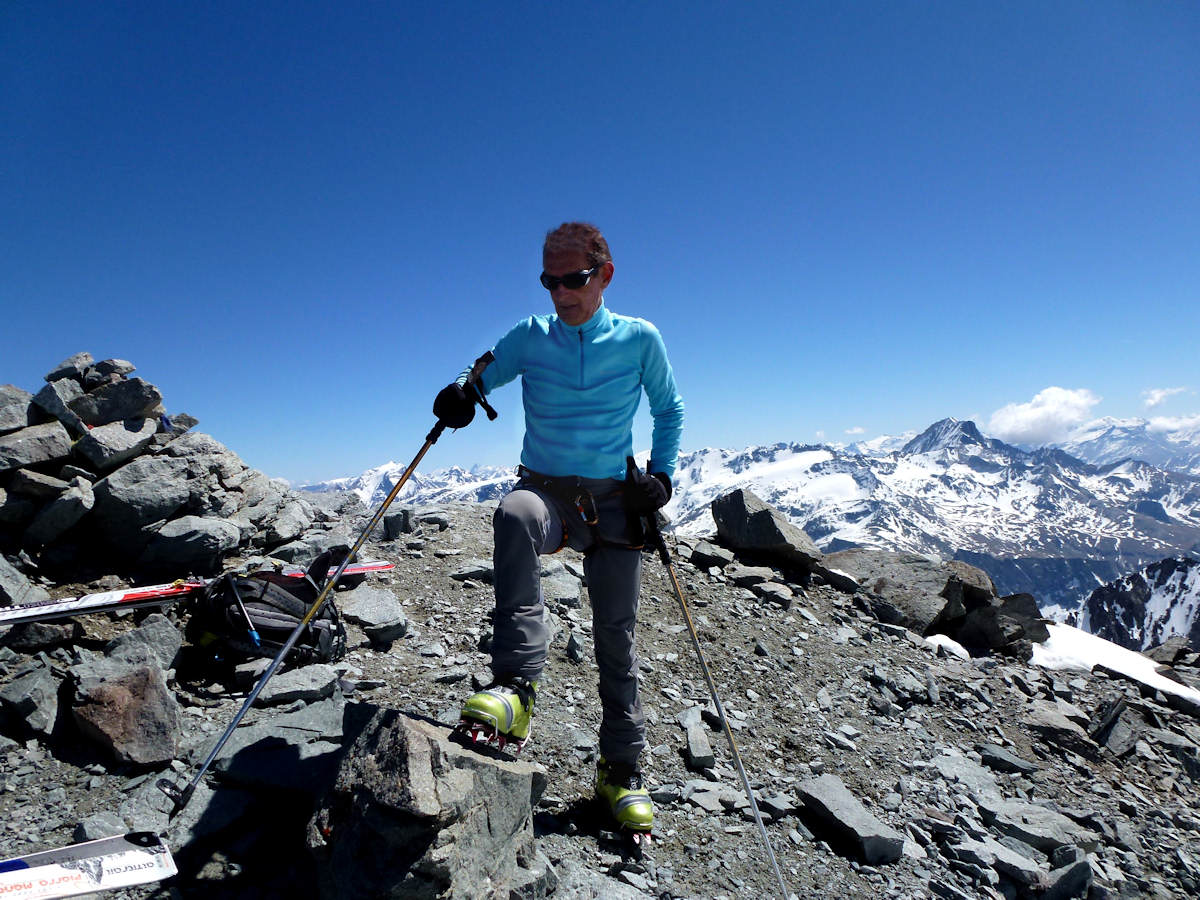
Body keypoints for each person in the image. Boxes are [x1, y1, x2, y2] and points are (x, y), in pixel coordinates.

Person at [432, 222, 684, 839]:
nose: (560, 293)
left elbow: (668, 408)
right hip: (545, 490)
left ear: (605, 273)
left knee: (616, 639)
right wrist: (463, 394)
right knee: (514, 514)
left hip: (617, 501)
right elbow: (481, 374)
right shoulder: (530, 336)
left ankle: (621, 771)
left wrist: (663, 476)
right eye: (550, 280)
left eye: (573, 279)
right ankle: (517, 690)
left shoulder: (638, 338)